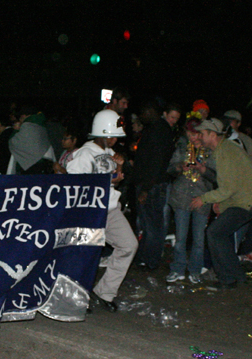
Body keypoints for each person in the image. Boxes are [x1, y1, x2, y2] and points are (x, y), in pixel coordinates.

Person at [67, 110, 138, 312]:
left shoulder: (108, 153)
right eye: (112, 135)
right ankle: (77, 296)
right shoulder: (84, 154)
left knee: (129, 245)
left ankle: (104, 292)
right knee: (85, 255)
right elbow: (73, 185)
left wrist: (120, 168)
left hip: (110, 209)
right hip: (89, 212)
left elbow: (123, 179)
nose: (115, 139)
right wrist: (108, 179)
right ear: (101, 133)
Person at [192, 119, 252, 288]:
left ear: (212, 134)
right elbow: (231, 184)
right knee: (218, 235)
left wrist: (204, 198)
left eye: (202, 134)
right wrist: (222, 205)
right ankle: (236, 276)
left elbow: (228, 188)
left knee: (215, 233)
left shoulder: (226, 152)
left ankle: (228, 279)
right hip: (244, 200)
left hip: (246, 202)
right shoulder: (224, 150)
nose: (199, 137)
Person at [166, 118, 216, 284]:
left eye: (196, 133)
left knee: (199, 239)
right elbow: (170, 169)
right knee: (180, 237)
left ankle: (195, 270)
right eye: (189, 133)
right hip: (181, 197)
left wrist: (203, 169)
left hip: (202, 198)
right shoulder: (181, 148)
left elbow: (217, 176)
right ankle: (177, 269)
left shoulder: (210, 151)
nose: (193, 137)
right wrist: (181, 167)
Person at [133, 102, 181, 270]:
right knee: (148, 224)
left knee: (153, 225)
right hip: (151, 183)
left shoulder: (159, 130)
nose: (142, 115)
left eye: (144, 111)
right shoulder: (156, 128)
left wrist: (146, 188)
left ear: (152, 110)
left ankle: (151, 260)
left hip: (153, 185)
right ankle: (145, 257)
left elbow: (157, 162)